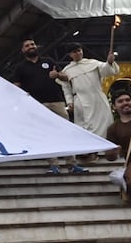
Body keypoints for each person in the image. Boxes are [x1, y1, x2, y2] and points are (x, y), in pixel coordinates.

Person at [13, 39, 88, 174]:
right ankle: (54, 165)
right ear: (23, 50)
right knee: (45, 134)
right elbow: (16, 86)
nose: (31, 47)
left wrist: (57, 74)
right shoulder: (20, 67)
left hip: (57, 102)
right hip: (37, 105)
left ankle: (72, 164)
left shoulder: (48, 61)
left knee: (66, 131)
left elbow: (66, 77)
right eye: (27, 45)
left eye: (32, 44)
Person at [56, 42, 119, 137]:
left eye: (79, 50)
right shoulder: (67, 70)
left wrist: (109, 62)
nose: (78, 53)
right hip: (80, 101)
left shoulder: (92, 63)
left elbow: (107, 70)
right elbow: (66, 88)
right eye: (74, 52)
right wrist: (69, 101)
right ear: (70, 54)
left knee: (104, 123)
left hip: (97, 99)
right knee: (85, 126)